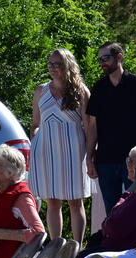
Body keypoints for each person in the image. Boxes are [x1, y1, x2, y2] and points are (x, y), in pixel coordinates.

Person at [29, 48, 91, 244]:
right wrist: (36, 142)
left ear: (68, 66)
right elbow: (35, 123)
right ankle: (56, 245)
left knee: (75, 200)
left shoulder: (81, 91)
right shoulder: (41, 90)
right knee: (52, 201)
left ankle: (77, 246)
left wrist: (90, 154)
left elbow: (89, 126)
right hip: (46, 150)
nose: (53, 68)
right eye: (50, 64)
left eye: (58, 64)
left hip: (73, 148)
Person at [86, 42, 136, 214]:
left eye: (106, 58)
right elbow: (92, 126)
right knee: (113, 212)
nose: (102, 62)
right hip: (105, 161)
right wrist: (89, 157)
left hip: (132, 162)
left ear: (119, 57)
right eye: (99, 59)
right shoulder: (99, 88)